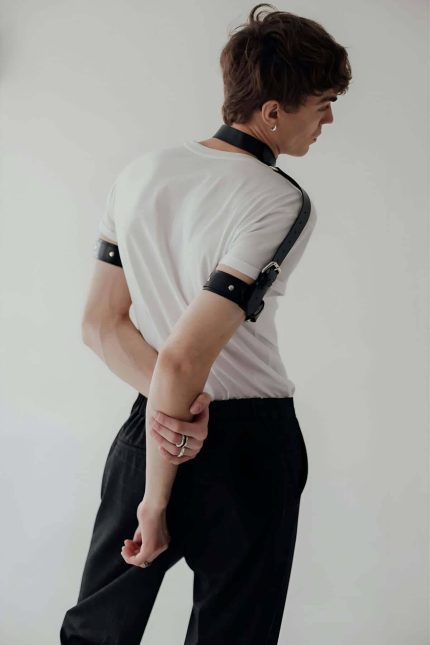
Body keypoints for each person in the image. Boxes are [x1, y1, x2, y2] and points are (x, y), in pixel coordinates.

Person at [60, 3, 352, 644]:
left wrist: (173, 412)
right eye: (323, 103)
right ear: (272, 112)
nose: (328, 120)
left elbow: (101, 325)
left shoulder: (140, 174)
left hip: (152, 424)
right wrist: (157, 497)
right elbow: (181, 359)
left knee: (95, 633)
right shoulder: (280, 198)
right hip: (246, 446)